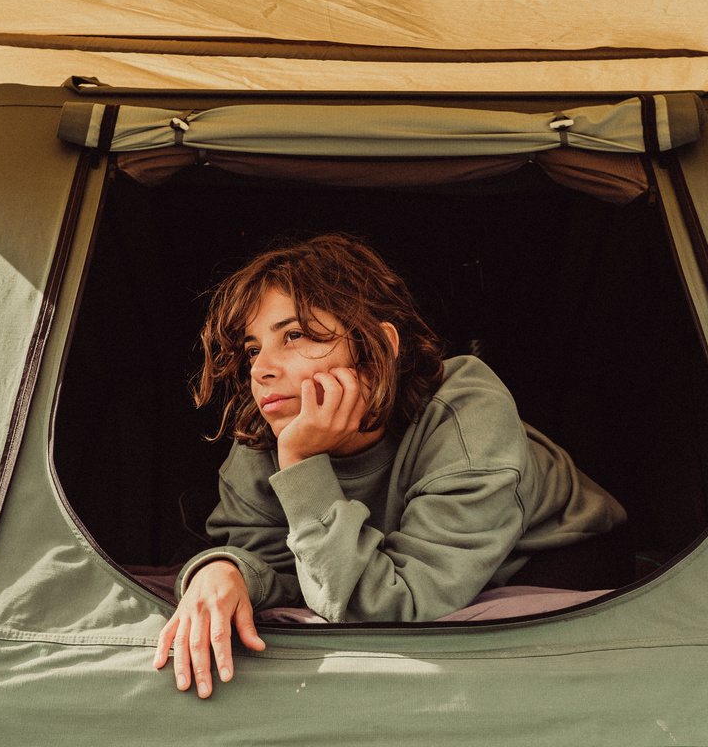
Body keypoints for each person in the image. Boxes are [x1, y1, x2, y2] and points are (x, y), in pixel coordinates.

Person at [154, 233, 626, 697]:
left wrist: (301, 464)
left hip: (548, 552)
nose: (261, 370)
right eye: (254, 349)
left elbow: (387, 614)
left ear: (377, 346)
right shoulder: (266, 434)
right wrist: (225, 569)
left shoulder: (465, 418)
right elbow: (282, 564)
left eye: (293, 335)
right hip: (404, 572)